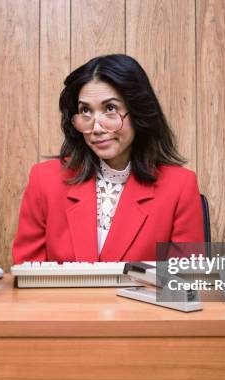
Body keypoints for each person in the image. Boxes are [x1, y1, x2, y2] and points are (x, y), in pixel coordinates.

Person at [12, 54, 204, 264]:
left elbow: (183, 284)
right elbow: (28, 279)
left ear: (138, 112)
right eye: (85, 110)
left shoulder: (179, 186)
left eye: (110, 109)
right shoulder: (44, 179)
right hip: (63, 299)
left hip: (140, 299)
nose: (96, 127)